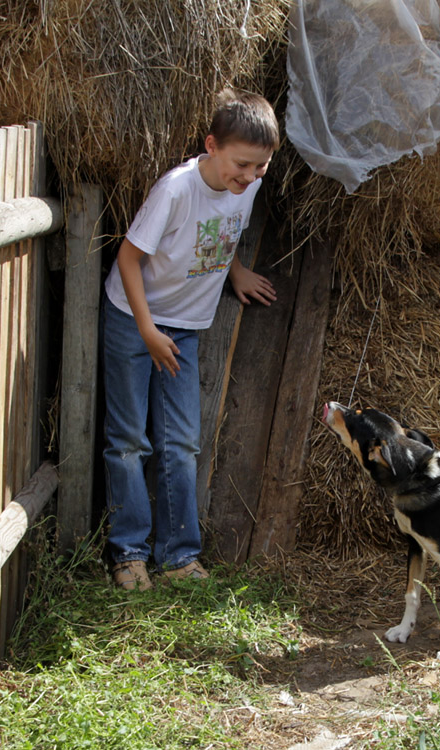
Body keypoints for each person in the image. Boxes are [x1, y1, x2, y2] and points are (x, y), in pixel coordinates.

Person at [102, 89, 279, 590]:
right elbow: (128, 259)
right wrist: (146, 330)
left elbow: (224, 233)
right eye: (241, 165)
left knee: (180, 442)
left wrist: (237, 271)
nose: (248, 177)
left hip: (185, 328)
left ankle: (179, 556)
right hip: (134, 319)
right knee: (129, 441)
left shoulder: (248, 186)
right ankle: (129, 553)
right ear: (211, 145)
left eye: (260, 168)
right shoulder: (175, 190)